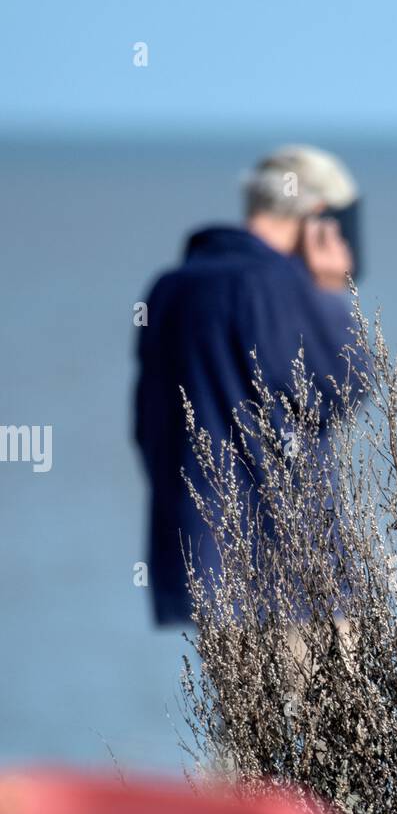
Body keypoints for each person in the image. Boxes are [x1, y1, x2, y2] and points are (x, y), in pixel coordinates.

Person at [134, 145, 366, 629]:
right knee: (333, 706)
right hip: (292, 574)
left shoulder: (169, 288)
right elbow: (344, 384)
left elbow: (147, 427)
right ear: (318, 216)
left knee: (245, 707)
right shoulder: (277, 284)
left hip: (208, 572)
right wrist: (327, 288)